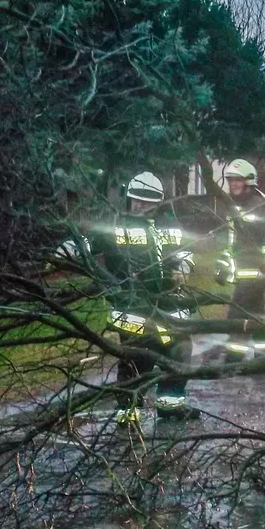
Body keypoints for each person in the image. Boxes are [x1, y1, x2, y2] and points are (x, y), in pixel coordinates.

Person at [100, 171, 198, 425]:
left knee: (179, 352)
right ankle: (127, 411)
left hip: (170, 305)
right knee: (138, 357)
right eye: (138, 201)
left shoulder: (170, 224)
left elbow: (185, 253)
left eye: (149, 202)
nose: (142, 206)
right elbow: (96, 253)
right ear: (129, 199)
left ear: (158, 202)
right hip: (133, 308)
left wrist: (182, 269)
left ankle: (170, 404)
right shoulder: (116, 225)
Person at [215, 159, 265, 362]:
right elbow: (233, 242)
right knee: (258, 316)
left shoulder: (260, 205)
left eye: (238, 180)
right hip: (244, 272)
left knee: (236, 316)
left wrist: (263, 270)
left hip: (256, 274)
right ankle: (264, 359)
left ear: (249, 182)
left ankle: (234, 359)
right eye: (231, 180)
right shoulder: (235, 206)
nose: (233, 184)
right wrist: (223, 266)